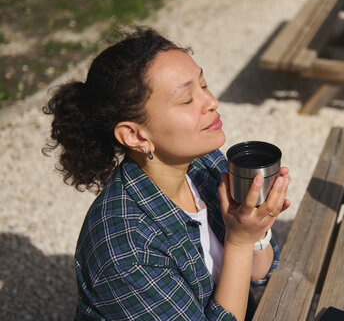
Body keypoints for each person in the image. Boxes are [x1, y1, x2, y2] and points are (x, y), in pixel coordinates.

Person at [43, 27, 291, 320]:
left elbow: (261, 273)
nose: (212, 102)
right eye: (187, 100)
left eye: (204, 84)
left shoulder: (203, 164)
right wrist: (239, 240)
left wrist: (257, 228)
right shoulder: (127, 249)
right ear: (135, 136)